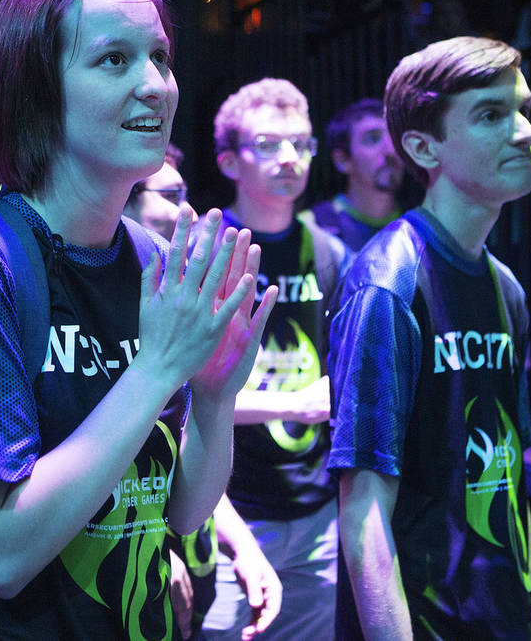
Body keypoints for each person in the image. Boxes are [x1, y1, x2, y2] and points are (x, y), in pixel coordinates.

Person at [0, 0, 276, 638]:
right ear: (37, 92)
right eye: (114, 59)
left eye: (160, 57)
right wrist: (159, 369)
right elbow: (1, 552)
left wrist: (215, 397)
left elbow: (180, 513)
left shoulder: (149, 259)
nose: (155, 85)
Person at [327, 36, 531, 639]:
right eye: (492, 115)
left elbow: (510, 484)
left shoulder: (507, 289)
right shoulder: (387, 284)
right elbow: (363, 509)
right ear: (423, 147)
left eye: (523, 110)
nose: (524, 132)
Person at [201, 77, 347, 641]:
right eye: (268, 145)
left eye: (301, 145)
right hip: (228, 506)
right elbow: (183, 398)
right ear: (229, 161)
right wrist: (295, 404)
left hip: (315, 511)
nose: (289, 159)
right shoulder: (208, 249)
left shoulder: (330, 253)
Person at [123, 148, 282, 640]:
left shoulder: (177, 298)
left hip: (193, 559)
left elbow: (176, 449)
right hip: (128, 577)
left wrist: (242, 544)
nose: (187, 212)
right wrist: (153, 548)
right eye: (170, 196)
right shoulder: (104, 300)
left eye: (185, 193)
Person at [305, 98, 406, 253]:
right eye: (373, 138)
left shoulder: (422, 224)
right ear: (343, 160)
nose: (390, 151)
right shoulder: (311, 226)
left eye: (395, 138)